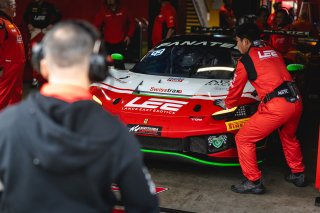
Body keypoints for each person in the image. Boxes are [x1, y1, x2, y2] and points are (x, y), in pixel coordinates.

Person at [0, 20, 159, 212]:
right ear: (96, 68)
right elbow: (144, 205)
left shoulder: (7, 124)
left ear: (42, 65)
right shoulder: (115, 133)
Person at [221, 23, 307, 194]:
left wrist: (227, 105)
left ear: (245, 41)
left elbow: (235, 90)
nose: (237, 46)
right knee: (289, 136)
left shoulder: (245, 60)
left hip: (277, 107)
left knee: (244, 139)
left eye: (237, 41)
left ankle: (253, 181)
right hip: (295, 100)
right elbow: (270, 73)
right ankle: (298, 174)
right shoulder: (272, 50)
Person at [0, 0, 25, 111]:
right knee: (3, 95)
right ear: (6, 6)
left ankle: (13, 117)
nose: (15, 8)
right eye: (13, 5)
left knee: (15, 94)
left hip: (17, 68)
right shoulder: (1, 23)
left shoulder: (10, 23)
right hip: (7, 68)